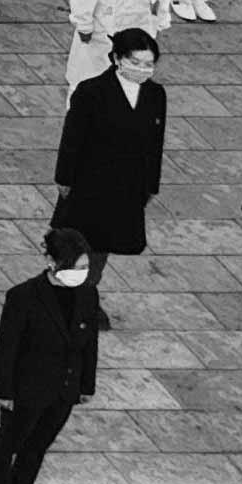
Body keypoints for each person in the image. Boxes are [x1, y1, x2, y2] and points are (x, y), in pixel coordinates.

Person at [0, 227, 103, 484]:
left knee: (38, 445)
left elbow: (89, 344)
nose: (83, 272)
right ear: (52, 262)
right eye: (76, 267)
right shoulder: (23, 296)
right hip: (26, 387)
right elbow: (7, 346)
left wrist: (86, 385)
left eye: (85, 266)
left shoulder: (88, 295)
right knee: (10, 441)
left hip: (63, 389)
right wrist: (2, 389)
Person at [53, 29, 169, 292]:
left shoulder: (155, 95)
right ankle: (66, 295)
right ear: (117, 58)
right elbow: (72, 139)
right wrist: (64, 178)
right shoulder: (91, 92)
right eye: (135, 62)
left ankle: (86, 295)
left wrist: (151, 185)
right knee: (77, 246)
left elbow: (155, 143)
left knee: (102, 247)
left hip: (126, 184)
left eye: (148, 64)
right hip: (90, 182)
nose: (142, 69)